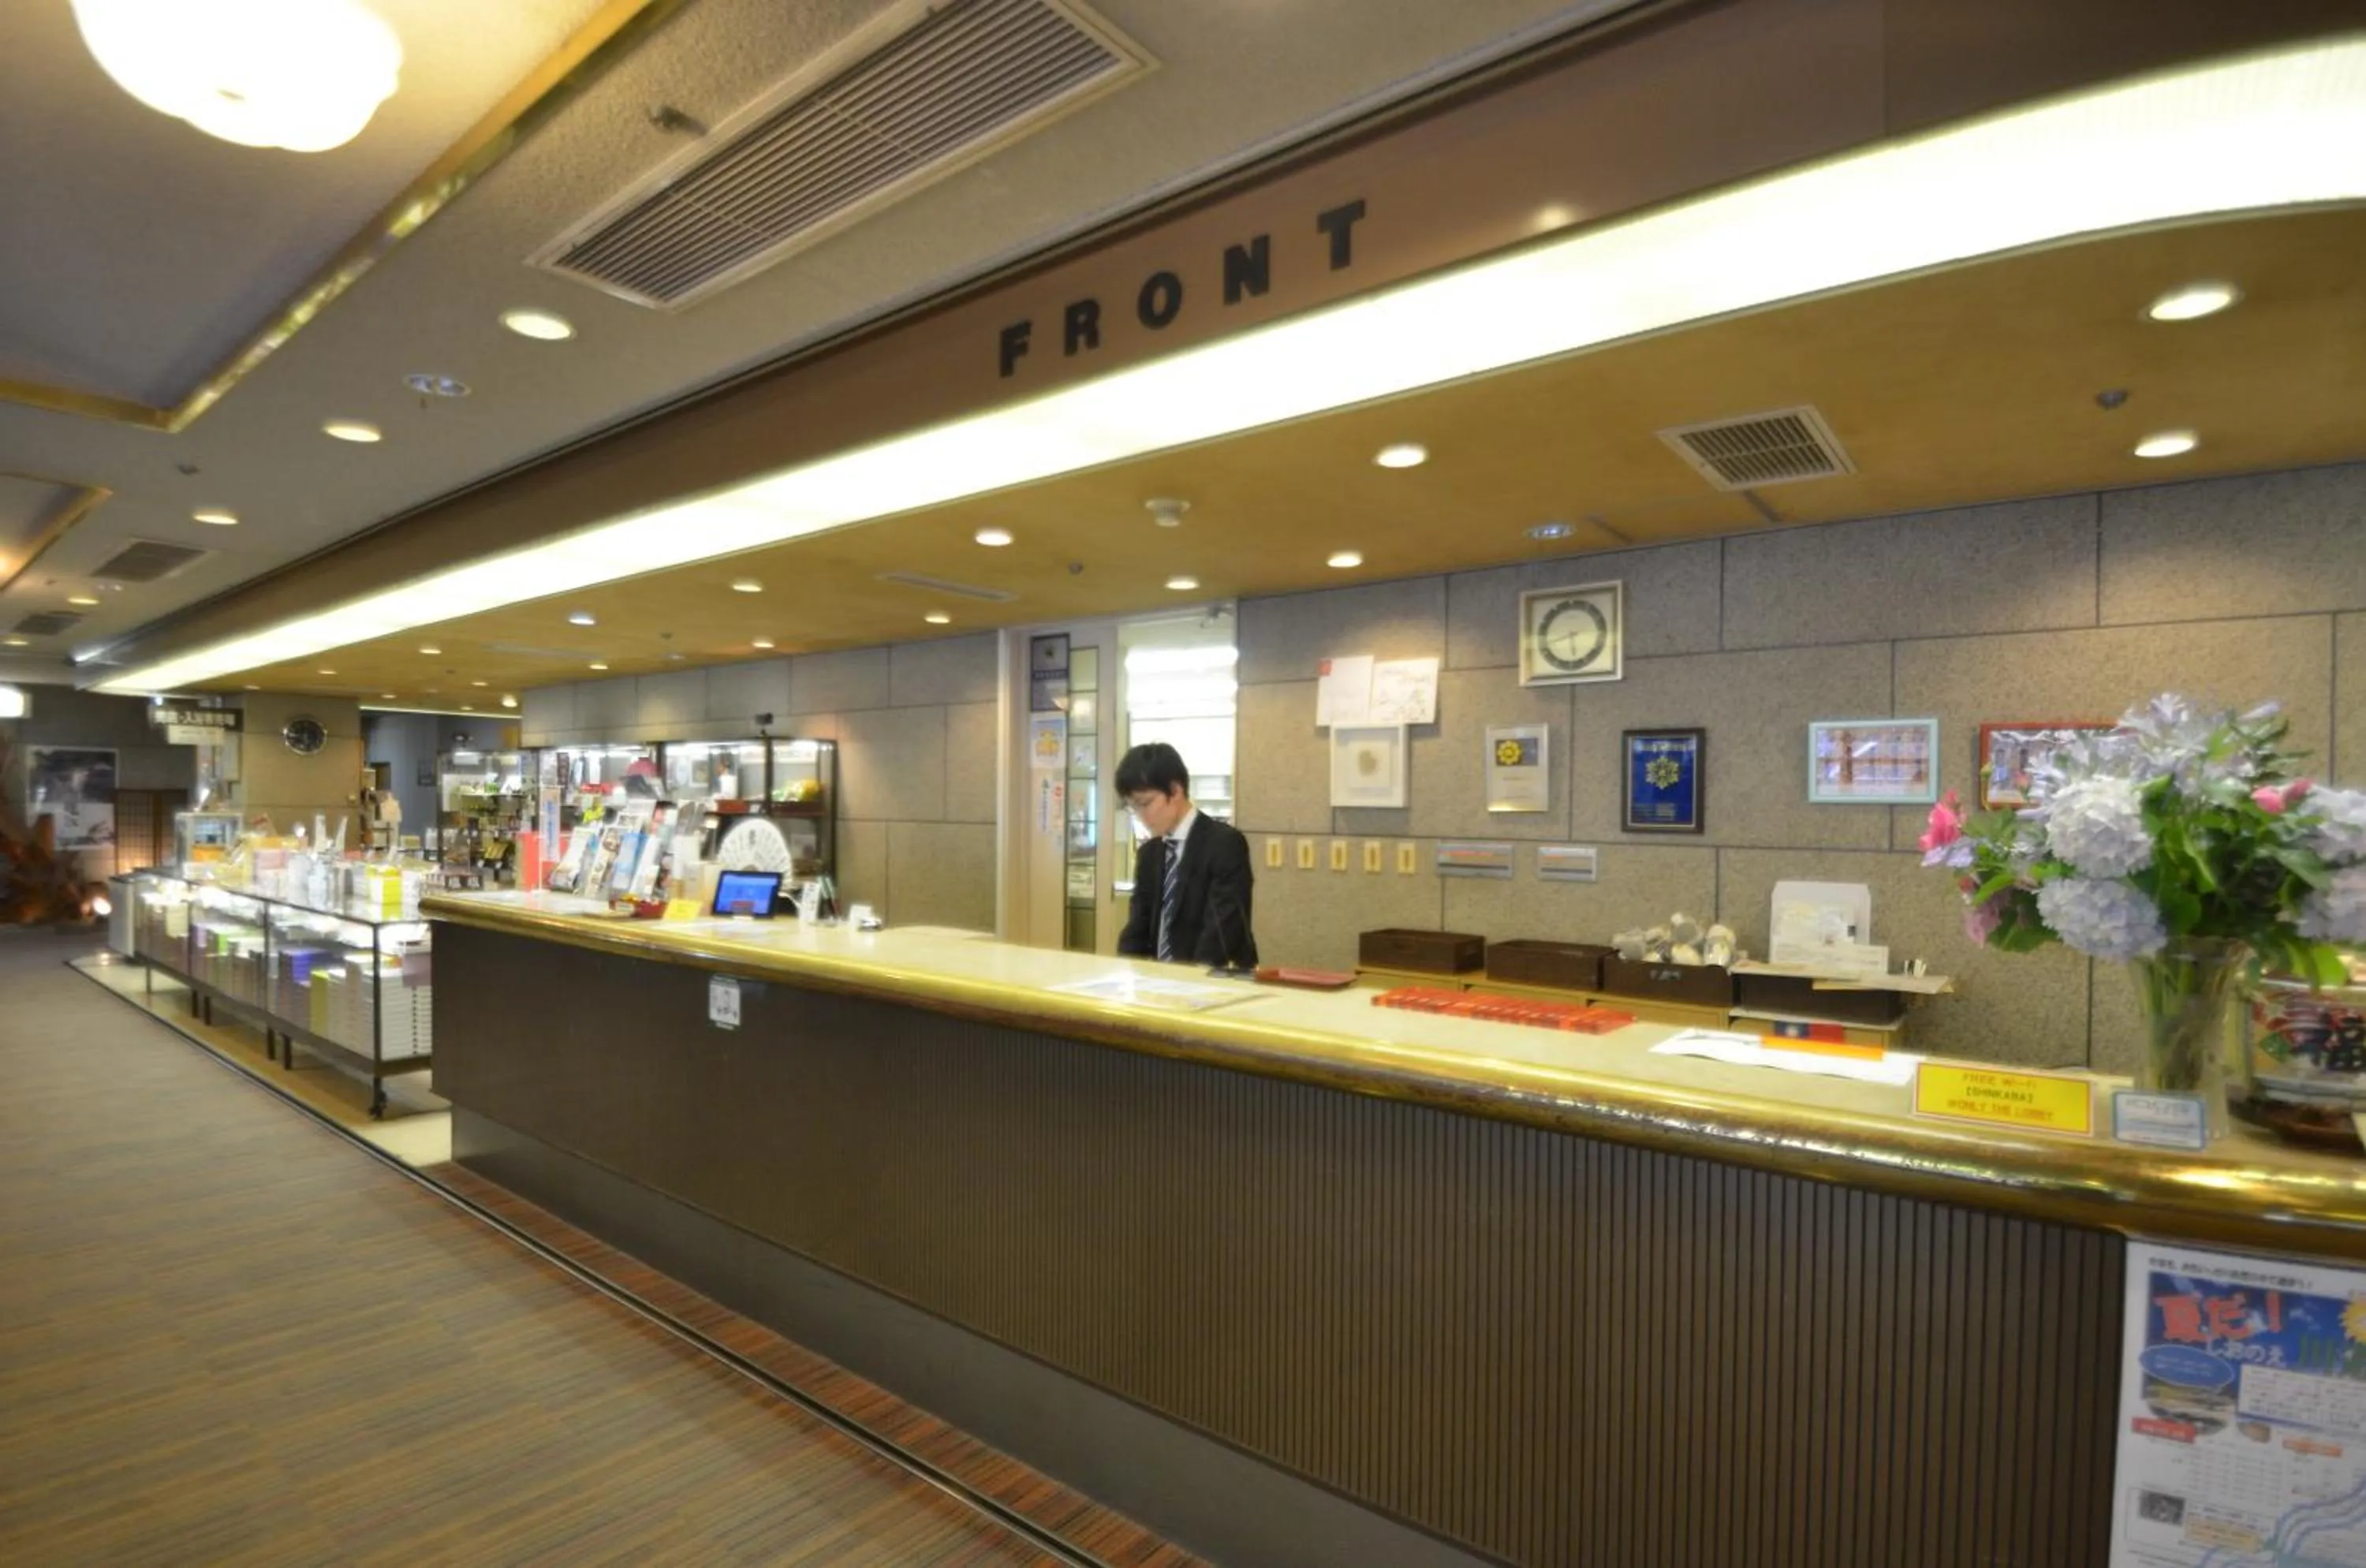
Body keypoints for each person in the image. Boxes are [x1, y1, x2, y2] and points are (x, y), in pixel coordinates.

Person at [1114, 741, 1258, 969]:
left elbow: (1222, 932)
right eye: (1133, 807)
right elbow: (1138, 927)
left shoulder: (1224, 844)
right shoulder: (1150, 854)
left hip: (1213, 982)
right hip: (1159, 985)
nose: (1140, 816)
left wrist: (1184, 983)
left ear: (1176, 790)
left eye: (1145, 804)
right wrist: (1125, 972)